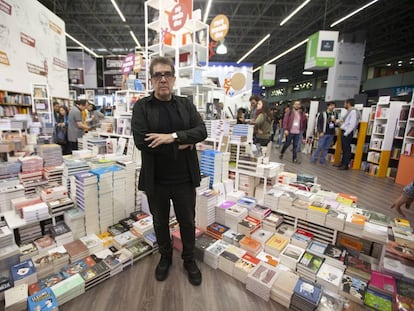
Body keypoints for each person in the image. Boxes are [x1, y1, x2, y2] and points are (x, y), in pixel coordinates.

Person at [131, 56, 207, 286]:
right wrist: (184, 141)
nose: (162, 79)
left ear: (173, 78)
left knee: (187, 221)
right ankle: (165, 257)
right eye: (157, 75)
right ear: (152, 80)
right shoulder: (142, 107)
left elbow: (201, 131)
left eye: (167, 74)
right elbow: (141, 141)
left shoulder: (185, 104)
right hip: (157, 180)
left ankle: (188, 259)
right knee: (160, 222)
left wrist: (170, 137)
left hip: (184, 178)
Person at [334, 99, 359, 170]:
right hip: (344, 131)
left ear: (348, 103)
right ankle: (342, 163)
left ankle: (345, 165)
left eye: (345, 103)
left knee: (346, 149)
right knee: (343, 148)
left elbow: (352, 124)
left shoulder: (353, 112)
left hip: (347, 132)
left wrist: (346, 133)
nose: (344, 105)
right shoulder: (348, 111)